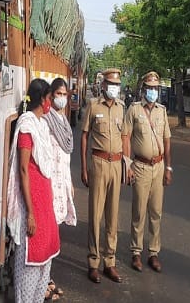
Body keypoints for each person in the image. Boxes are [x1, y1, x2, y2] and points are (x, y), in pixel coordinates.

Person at [7, 78, 61, 302]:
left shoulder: (41, 124)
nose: (52, 103)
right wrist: (30, 212)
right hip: (32, 206)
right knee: (29, 265)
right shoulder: (27, 125)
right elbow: (23, 169)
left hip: (44, 205)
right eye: (50, 98)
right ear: (42, 99)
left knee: (44, 262)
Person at [122, 71, 172, 273]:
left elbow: (167, 139)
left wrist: (168, 167)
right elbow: (126, 136)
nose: (153, 92)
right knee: (139, 211)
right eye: (149, 88)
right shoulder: (134, 110)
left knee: (156, 212)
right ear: (143, 89)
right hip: (140, 166)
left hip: (158, 167)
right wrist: (127, 164)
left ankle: (153, 252)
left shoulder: (162, 111)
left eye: (155, 88)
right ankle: (136, 251)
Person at [80, 68, 125, 284]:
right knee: (96, 214)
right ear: (104, 85)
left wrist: (127, 163)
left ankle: (110, 261)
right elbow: (84, 136)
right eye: (111, 84)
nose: (114, 88)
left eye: (117, 84)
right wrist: (84, 167)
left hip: (116, 163)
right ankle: (93, 262)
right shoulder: (93, 105)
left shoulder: (121, 108)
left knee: (113, 216)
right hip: (98, 162)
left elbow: (124, 136)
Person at [45, 77, 77, 299]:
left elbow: (66, 155)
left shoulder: (63, 121)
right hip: (49, 184)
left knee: (54, 234)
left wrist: (70, 182)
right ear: (51, 95)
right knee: (47, 235)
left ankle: (47, 277)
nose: (62, 98)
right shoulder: (46, 120)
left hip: (62, 183)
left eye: (65, 94)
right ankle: (44, 281)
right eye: (59, 94)